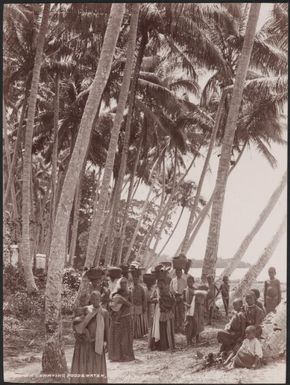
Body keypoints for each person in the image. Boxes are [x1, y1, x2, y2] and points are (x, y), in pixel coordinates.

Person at [71, 291, 109, 383]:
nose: (95, 301)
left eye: (97, 299)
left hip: (97, 342)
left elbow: (106, 329)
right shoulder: (86, 309)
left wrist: (107, 342)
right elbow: (76, 323)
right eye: (93, 299)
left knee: (96, 365)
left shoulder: (104, 312)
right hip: (85, 343)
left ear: (100, 299)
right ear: (90, 300)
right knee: (85, 364)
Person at [108, 277, 135, 362]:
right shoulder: (114, 293)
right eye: (121, 283)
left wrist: (124, 301)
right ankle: (116, 356)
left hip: (126, 317)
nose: (123, 285)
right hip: (116, 318)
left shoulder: (129, 293)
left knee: (125, 337)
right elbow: (110, 305)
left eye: (125, 283)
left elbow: (131, 305)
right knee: (116, 337)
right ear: (119, 284)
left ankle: (126, 356)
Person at [149, 279, 175, 351]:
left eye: (162, 283)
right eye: (158, 283)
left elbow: (172, 298)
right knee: (157, 326)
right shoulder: (156, 290)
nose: (160, 285)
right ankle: (157, 342)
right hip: (158, 309)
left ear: (164, 283)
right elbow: (151, 299)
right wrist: (158, 300)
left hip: (166, 309)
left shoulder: (168, 290)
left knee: (166, 325)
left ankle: (166, 342)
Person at [130, 270, 148, 338]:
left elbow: (144, 298)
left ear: (138, 280)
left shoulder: (141, 288)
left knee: (139, 320)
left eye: (136, 279)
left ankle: (139, 334)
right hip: (132, 307)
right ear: (132, 280)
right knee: (133, 320)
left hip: (139, 306)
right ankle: (133, 334)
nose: (135, 281)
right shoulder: (130, 288)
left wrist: (144, 307)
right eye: (134, 279)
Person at [170, 268, 187, 333]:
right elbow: (171, 289)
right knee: (175, 313)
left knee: (181, 313)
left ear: (181, 273)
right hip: (175, 299)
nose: (178, 273)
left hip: (181, 298)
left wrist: (181, 297)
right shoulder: (173, 280)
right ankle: (175, 327)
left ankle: (181, 327)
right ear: (176, 273)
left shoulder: (184, 281)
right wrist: (174, 295)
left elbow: (185, 290)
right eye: (177, 272)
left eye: (180, 272)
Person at [183, 275, 196, 346]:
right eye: (188, 282)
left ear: (193, 282)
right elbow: (183, 300)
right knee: (187, 325)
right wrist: (186, 304)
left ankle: (191, 339)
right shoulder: (185, 290)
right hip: (188, 310)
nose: (189, 283)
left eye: (190, 282)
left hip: (194, 310)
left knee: (193, 325)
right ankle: (188, 340)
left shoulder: (195, 290)